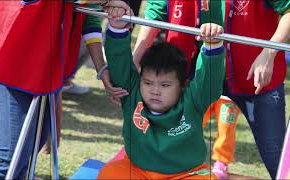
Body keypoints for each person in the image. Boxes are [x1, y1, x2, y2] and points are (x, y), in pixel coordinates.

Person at [0, 0, 129, 179]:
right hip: (11, 58)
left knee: (29, 150)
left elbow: (89, 19)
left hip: (44, 65)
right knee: (10, 157)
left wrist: (101, 68)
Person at [133, 0, 290, 179]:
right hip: (192, 74)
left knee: (276, 156)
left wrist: (268, 53)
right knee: (167, 146)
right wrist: (136, 57)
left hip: (255, 79)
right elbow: (156, 10)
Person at [97, 5, 226, 178]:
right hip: (137, 170)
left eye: (165, 85)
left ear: (182, 85)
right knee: (109, 173)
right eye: (148, 83)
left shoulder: (193, 99)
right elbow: (119, 62)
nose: (155, 91)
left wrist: (212, 44)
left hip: (186, 173)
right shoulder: (133, 91)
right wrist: (117, 27)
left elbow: (210, 80)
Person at [132, 1, 240, 179]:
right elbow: (155, 9)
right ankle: (170, 157)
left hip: (227, 68)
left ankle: (222, 160)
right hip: (185, 66)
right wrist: (136, 56)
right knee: (186, 120)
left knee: (226, 118)